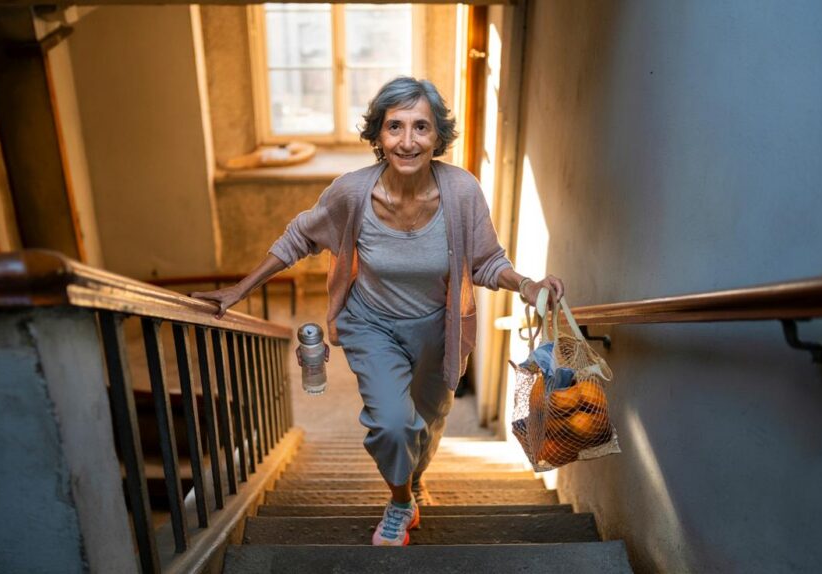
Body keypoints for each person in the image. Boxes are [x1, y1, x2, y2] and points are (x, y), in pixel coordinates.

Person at [191, 77, 564, 546]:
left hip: (438, 327)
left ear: (438, 138)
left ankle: (411, 477)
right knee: (391, 422)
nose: (407, 142)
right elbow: (298, 237)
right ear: (378, 136)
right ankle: (400, 501)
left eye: (421, 128)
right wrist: (239, 290)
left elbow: (486, 261)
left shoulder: (461, 192)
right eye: (395, 127)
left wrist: (526, 284)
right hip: (370, 323)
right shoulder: (351, 193)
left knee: (426, 423)